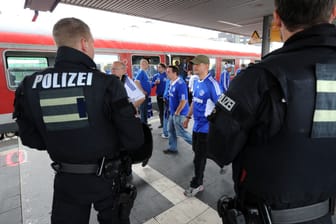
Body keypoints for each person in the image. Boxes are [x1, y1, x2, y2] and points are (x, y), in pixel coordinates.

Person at [207, 1, 336, 223]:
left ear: (276, 18)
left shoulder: (258, 78)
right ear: (333, 13)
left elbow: (219, 147)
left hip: (265, 215)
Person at [13, 18, 145, 224]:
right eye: (92, 44)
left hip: (66, 180)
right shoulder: (106, 84)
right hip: (107, 179)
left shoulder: (29, 85)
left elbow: (31, 139)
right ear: (84, 43)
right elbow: (134, 138)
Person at [183, 55, 222, 197]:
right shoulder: (196, 82)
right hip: (196, 126)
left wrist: (214, 122)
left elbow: (222, 106)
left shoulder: (212, 84)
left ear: (206, 66)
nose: (194, 66)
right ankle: (219, 159)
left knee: (198, 158)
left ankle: (197, 184)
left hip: (207, 128)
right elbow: (194, 101)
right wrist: (188, 117)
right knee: (197, 151)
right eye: (193, 64)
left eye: (197, 64)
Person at [164, 65, 192, 154]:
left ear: (174, 73)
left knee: (181, 132)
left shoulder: (181, 84)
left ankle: (198, 146)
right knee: (171, 130)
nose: (166, 73)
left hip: (179, 113)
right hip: (173, 112)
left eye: (168, 72)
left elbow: (183, 101)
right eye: (166, 71)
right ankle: (173, 148)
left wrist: (177, 112)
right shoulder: (171, 82)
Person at [134, 59, 151, 125]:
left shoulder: (144, 72)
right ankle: (144, 125)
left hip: (145, 95)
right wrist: (142, 91)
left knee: (144, 110)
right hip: (143, 95)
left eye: (146, 64)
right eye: (144, 64)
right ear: (141, 65)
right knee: (143, 110)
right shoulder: (141, 72)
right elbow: (136, 81)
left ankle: (145, 123)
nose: (146, 65)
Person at [151, 63, 167, 128]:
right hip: (159, 95)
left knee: (167, 110)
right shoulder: (156, 76)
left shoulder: (167, 75)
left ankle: (167, 123)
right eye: (157, 67)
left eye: (159, 67)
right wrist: (155, 83)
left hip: (166, 96)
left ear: (163, 68)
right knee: (161, 110)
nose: (158, 68)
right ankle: (162, 123)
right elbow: (151, 85)